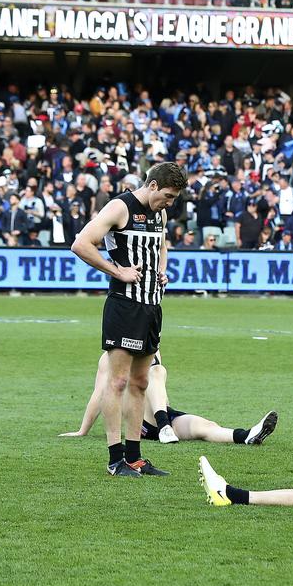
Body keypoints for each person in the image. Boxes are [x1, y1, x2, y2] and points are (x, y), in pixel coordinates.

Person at [70, 162, 185, 477]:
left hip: (152, 306)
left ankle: (135, 457)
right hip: (124, 305)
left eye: (174, 198)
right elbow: (81, 243)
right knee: (117, 381)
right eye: (167, 195)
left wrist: (161, 269)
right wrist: (117, 270)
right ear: (151, 186)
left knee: (141, 382)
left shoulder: (158, 214)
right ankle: (115, 459)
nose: (169, 203)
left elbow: (161, 245)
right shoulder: (120, 207)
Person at [60, 351, 278, 446]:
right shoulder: (112, 357)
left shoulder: (152, 346)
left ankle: (247, 436)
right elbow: (99, 394)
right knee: (157, 371)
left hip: (164, 414)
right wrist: (83, 430)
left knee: (206, 427)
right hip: (144, 422)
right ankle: (164, 426)